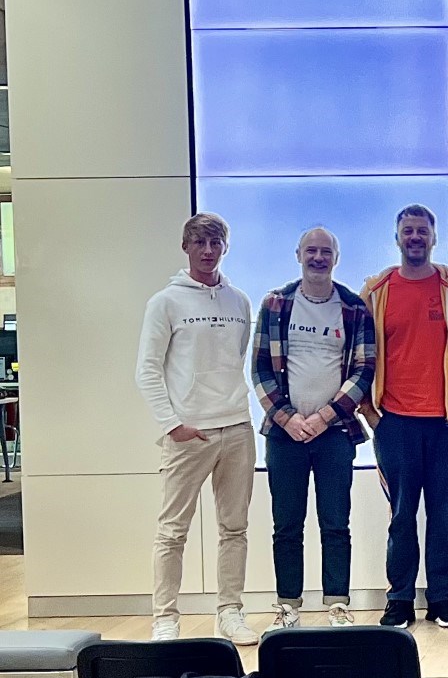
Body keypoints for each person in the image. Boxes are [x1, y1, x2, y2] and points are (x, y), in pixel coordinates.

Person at [135, 213, 257, 644]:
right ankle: (165, 618)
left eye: (215, 242)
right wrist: (173, 424)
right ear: (185, 246)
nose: (208, 250)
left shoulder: (239, 301)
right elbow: (147, 370)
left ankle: (230, 611)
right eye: (199, 242)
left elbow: (234, 361)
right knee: (172, 530)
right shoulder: (165, 302)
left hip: (238, 430)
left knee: (235, 528)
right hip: (189, 434)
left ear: (225, 246)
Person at [252, 227, 375, 632]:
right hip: (284, 434)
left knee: (335, 522)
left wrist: (323, 417)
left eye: (326, 252)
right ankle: (288, 604)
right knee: (286, 524)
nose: (318, 258)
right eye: (311, 251)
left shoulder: (354, 308)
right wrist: (288, 418)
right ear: (298, 254)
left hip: (335, 434)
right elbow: (260, 369)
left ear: (336, 258)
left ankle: (337, 603)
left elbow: (363, 370)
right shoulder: (275, 303)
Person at [359, 204, 448, 629]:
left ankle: (442, 598)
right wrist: (370, 412)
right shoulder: (375, 292)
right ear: (397, 237)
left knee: (444, 516)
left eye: (422, 230)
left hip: (447, 424)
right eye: (407, 230)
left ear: (434, 237)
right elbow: (356, 356)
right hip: (395, 423)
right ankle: (400, 599)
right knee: (401, 515)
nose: (415, 237)